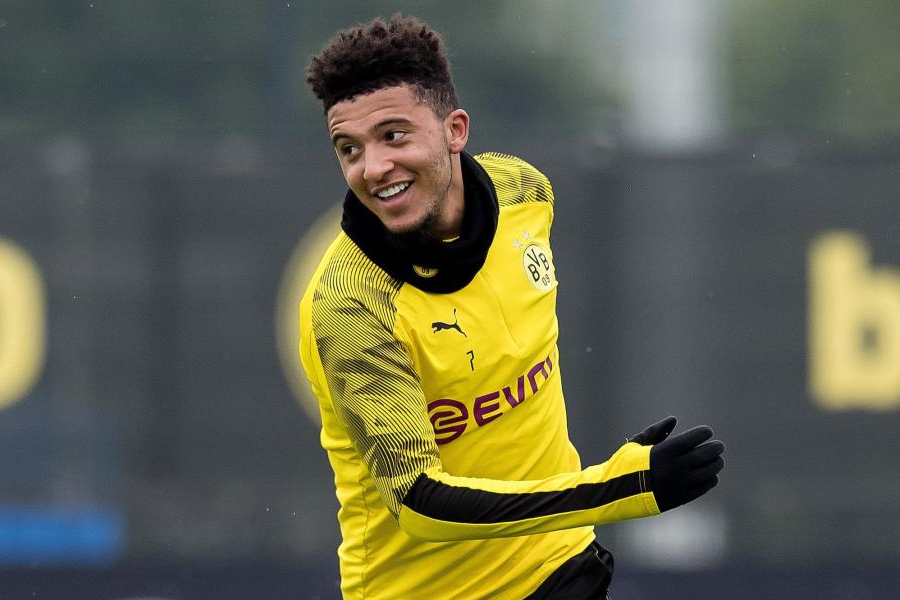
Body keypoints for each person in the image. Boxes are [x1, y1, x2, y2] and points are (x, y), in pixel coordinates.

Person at [298, 14, 725, 600]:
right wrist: (622, 487)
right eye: (350, 149)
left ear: (455, 130)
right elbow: (422, 504)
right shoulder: (349, 303)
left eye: (394, 136)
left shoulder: (525, 193)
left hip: (559, 568)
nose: (372, 169)